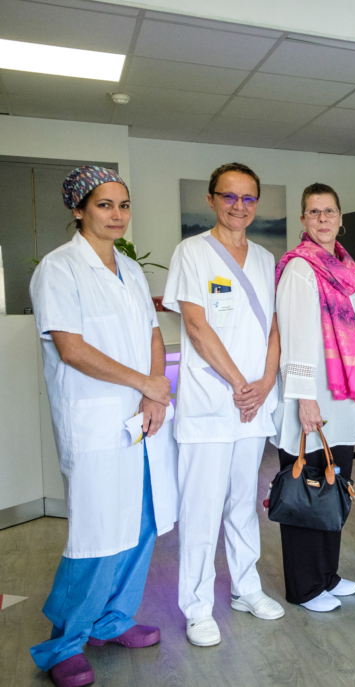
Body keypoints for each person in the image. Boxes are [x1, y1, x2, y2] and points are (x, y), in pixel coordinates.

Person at [28, 167, 178, 687]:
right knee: (97, 533)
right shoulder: (59, 268)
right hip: (94, 422)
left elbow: (153, 333)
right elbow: (72, 349)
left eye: (123, 205)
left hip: (140, 418)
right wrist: (145, 383)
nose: (117, 215)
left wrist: (153, 390)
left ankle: (112, 621)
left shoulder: (129, 269)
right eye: (104, 205)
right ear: (78, 209)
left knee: (141, 524)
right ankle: (63, 645)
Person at [163, 163, 284, 647]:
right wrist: (239, 384)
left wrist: (266, 382)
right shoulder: (192, 252)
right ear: (212, 199)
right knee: (201, 508)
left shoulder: (266, 259)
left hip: (253, 403)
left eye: (248, 198)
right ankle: (196, 607)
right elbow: (196, 326)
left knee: (242, 503)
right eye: (229, 196)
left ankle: (245, 588)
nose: (239, 206)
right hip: (212, 402)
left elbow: (274, 327)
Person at [272, 183, 355, 612]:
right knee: (304, 492)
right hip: (311, 398)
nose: (323, 219)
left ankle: (327, 575)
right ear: (303, 220)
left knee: (334, 487)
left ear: (341, 217)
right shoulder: (300, 268)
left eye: (329, 211)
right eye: (314, 212)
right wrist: (304, 398)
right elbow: (294, 338)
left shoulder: (345, 268)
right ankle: (305, 587)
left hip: (341, 395)